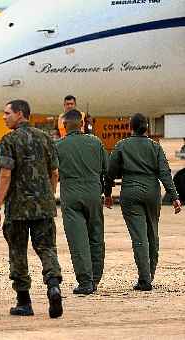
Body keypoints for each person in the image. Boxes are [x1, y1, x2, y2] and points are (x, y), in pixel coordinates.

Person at [0, 99, 63, 318]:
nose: (4, 117)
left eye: (7, 113)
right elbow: (54, 172)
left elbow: (5, 174)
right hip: (44, 206)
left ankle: (24, 302)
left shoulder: (9, 140)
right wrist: (49, 196)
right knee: (47, 248)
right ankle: (53, 286)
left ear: (20, 114)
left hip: (18, 208)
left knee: (18, 252)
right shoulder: (45, 138)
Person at [106, 113, 181, 291]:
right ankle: (150, 274)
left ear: (130, 127)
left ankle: (144, 279)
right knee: (152, 233)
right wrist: (175, 196)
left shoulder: (122, 145)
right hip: (152, 192)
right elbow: (164, 172)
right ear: (146, 128)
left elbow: (111, 172)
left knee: (139, 236)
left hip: (130, 191)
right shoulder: (155, 147)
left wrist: (107, 192)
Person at [56, 109, 110, 295]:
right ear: (82, 124)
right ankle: (95, 278)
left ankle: (85, 282)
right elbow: (107, 169)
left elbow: (53, 172)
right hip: (94, 194)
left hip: (70, 195)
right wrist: (106, 190)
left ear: (64, 125)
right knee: (96, 236)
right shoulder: (95, 142)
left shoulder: (59, 146)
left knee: (78, 240)